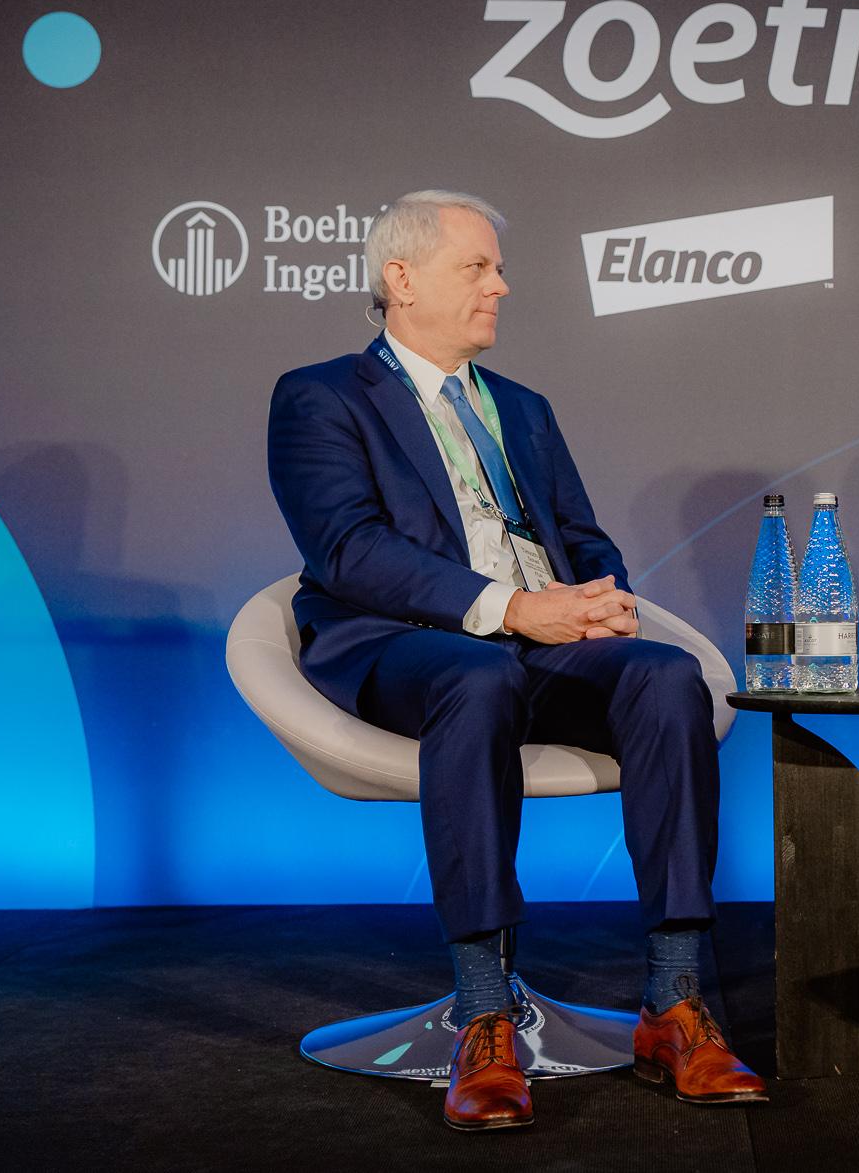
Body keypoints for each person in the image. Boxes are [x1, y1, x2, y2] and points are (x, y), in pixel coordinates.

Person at [266, 190, 765, 1133]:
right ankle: (484, 1013)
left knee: (667, 677)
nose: (501, 285)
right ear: (401, 279)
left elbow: (580, 533)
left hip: (544, 642)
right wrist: (511, 608)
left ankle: (675, 999)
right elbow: (348, 548)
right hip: (409, 646)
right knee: (479, 674)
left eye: (498, 268)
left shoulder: (525, 408)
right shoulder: (322, 395)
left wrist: (603, 601)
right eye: (478, 267)